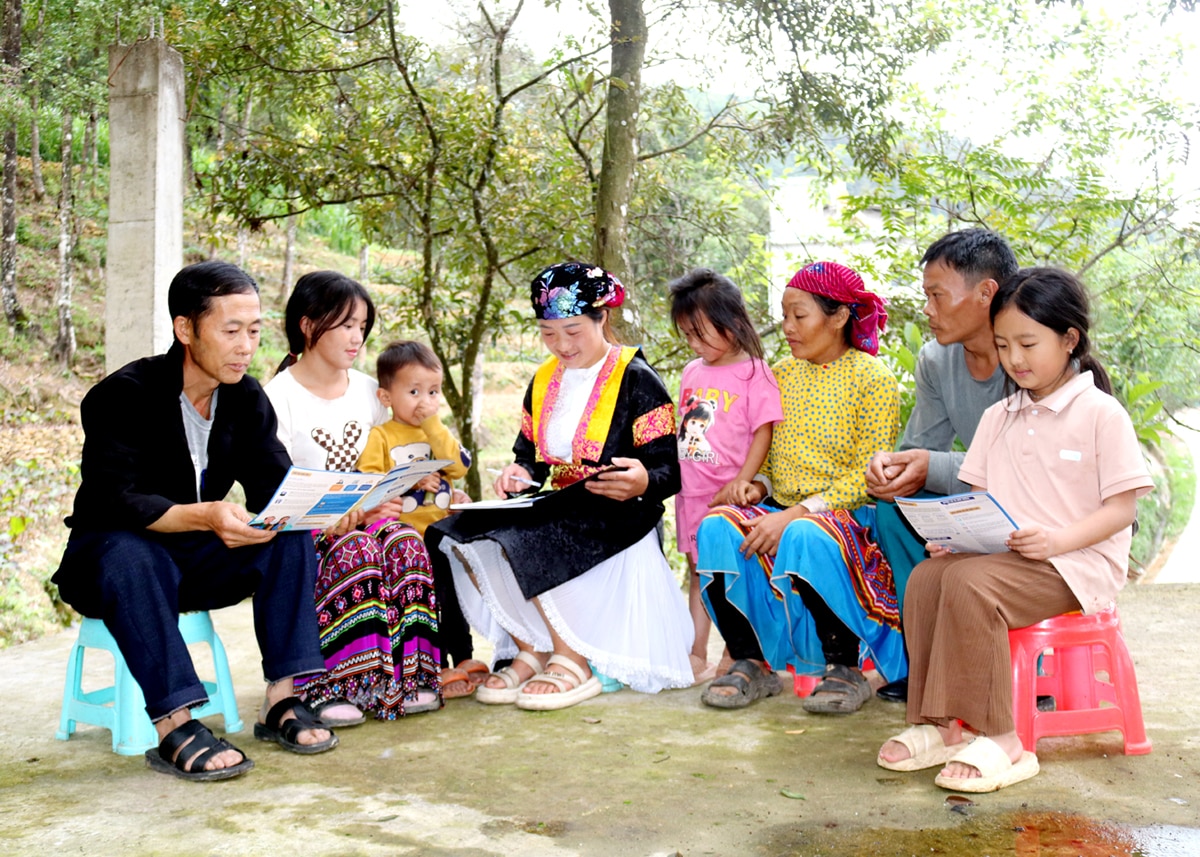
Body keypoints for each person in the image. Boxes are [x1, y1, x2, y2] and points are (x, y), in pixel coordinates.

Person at [52, 260, 335, 782]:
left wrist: (327, 502)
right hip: (111, 561)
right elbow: (116, 499)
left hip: (191, 559)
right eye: (230, 331)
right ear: (186, 328)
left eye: (253, 330)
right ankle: (174, 723)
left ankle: (282, 699)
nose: (246, 346)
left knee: (289, 539)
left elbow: (275, 482)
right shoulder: (124, 395)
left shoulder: (245, 397)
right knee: (130, 552)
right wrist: (204, 514)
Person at [877, 267, 1152, 792]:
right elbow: (980, 500)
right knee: (930, 577)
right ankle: (939, 725)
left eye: (1028, 343)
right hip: (1009, 558)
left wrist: (1056, 541)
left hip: (1074, 564)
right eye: (1004, 345)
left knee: (968, 583)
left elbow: (1120, 510)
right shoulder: (999, 416)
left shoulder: (1100, 413)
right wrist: (955, 537)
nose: (1015, 359)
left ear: (1069, 339)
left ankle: (1003, 739)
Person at [427, 261, 694, 710]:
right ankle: (530, 648)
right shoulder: (544, 380)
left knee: (534, 536)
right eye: (549, 334)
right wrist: (519, 476)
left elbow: (670, 469)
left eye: (573, 331)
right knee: (457, 532)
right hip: (560, 499)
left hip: (618, 507)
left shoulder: (637, 379)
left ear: (601, 318)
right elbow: (528, 459)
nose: (562, 345)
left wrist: (643, 479)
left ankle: (573, 659)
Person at [697, 261, 900, 713]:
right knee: (716, 526)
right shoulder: (781, 374)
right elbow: (767, 451)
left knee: (806, 533)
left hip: (847, 515)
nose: (786, 327)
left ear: (839, 316)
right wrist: (756, 485)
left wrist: (797, 513)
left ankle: (844, 668)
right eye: (784, 315)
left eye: (798, 316)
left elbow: (870, 474)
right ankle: (750, 662)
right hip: (781, 508)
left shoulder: (873, 379)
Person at [264, 271, 446, 719]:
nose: (357, 337)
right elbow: (273, 484)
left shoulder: (370, 390)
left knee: (404, 541)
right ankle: (329, 684)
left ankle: (412, 678)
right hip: (308, 531)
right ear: (308, 326)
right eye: (346, 324)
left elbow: (395, 452)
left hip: (373, 518)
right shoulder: (276, 397)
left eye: (362, 326)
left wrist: (399, 487)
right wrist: (341, 512)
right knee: (357, 547)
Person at [865, 228, 1019, 703]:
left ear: (986, 293)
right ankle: (928, 663)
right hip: (980, 498)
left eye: (937, 295)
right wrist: (890, 469)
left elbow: (1023, 469)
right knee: (894, 509)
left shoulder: (1034, 355)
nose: (928, 310)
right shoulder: (936, 359)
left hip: (1034, 505)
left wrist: (930, 464)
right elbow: (921, 446)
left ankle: (1007, 663)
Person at [669, 269, 783, 683]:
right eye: (688, 336)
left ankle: (738, 653)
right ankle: (696, 651)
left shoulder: (756, 372)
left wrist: (744, 481)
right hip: (691, 493)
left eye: (701, 334)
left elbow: (763, 431)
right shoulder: (691, 372)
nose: (695, 344)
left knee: (730, 573)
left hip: (731, 501)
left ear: (734, 324)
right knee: (699, 574)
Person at [356, 340, 472, 536]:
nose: (425, 401)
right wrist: (412, 480)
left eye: (433, 392)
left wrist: (433, 425)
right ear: (386, 398)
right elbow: (368, 487)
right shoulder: (381, 436)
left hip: (444, 533)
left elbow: (459, 468)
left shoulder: (437, 432)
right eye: (414, 392)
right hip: (402, 539)